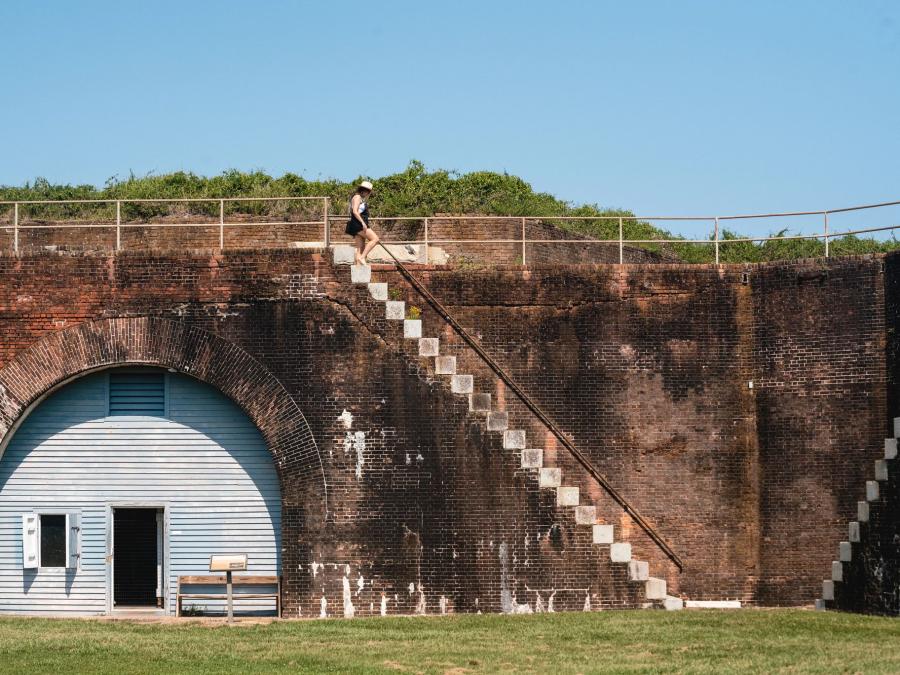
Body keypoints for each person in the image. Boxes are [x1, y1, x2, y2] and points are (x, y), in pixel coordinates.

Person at [345, 180, 380, 264]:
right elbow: (355, 211)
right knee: (375, 239)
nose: (368, 194)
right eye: (368, 192)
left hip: (356, 224)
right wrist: (363, 223)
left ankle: (358, 269)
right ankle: (362, 258)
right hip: (358, 224)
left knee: (360, 248)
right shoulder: (357, 197)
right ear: (364, 190)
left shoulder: (359, 197)